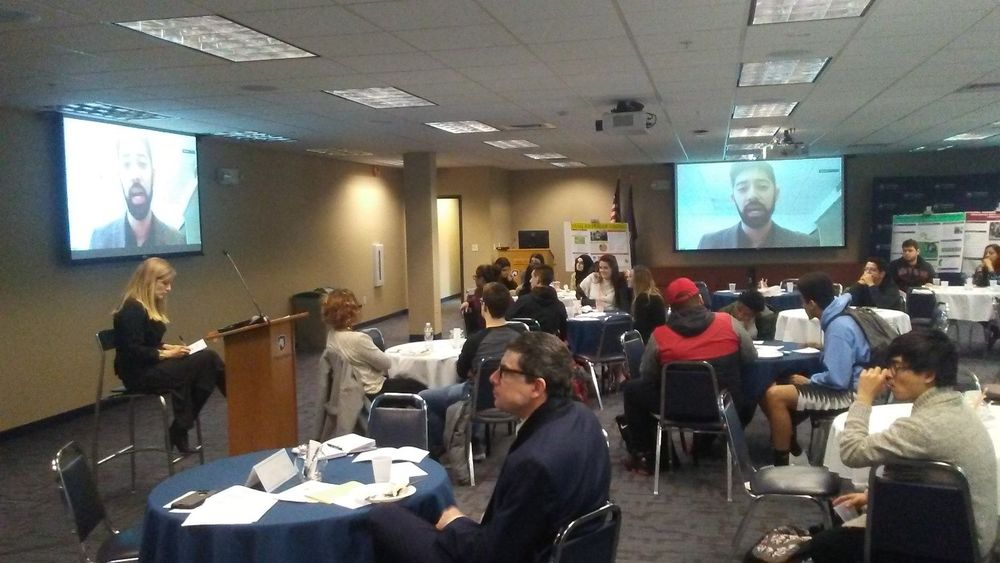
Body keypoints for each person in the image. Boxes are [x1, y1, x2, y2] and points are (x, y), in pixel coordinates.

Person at [369, 332, 611, 563]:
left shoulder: (534, 462)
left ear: (537, 387)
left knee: (382, 516)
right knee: (426, 512)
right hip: (555, 546)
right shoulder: (584, 418)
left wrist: (457, 524)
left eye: (504, 372)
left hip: (519, 554)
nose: (492, 378)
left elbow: (491, 556)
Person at [807, 331, 997, 562]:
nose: (888, 375)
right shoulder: (957, 407)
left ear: (928, 374)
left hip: (949, 544)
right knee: (837, 521)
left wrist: (863, 398)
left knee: (822, 546)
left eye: (897, 367)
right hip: (965, 531)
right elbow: (930, 479)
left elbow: (851, 452)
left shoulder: (924, 427)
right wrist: (872, 496)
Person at [621, 277, 756, 474]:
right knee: (751, 386)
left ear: (672, 308)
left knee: (633, 390)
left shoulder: (660, 336)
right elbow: (750, 358)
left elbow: (647, 374)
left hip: (676, 409)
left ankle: (648, 455)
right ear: (700, 299)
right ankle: (712, 442)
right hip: (725, 406)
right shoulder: (729, 323)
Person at [112, 257, 225, 454]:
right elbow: (133, 352)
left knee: (207, 365)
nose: (169, 288)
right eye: (164, 283)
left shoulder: (145, 307)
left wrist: (167, 347)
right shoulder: (132, 308)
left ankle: (181, 427)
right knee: (209, 360)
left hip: (151, 367)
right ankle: (184, 426)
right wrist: (168, 354)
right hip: (138, 375)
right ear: (149, 281)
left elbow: (149, 344)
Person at [760, 272, 870, 466]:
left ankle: (782, 464)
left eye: (803, 302)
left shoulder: (838, 328)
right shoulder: (842, 316)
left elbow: (838, 380)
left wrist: (811, 380)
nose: (803, 306)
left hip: (850, 393)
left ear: (811, 303)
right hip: (855, 385)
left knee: (774, 395)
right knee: (776, 388)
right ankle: (791, 444)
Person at [421, 282, 522, 455]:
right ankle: (474, 441)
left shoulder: (475, 340)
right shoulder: (519, 337)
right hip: (514, 397)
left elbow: (460, 371)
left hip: (476, 397)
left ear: (484, 307)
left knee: (424, 398)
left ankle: (442, 446)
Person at [322, 288, 425, 398]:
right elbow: (386, 363)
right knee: (418, 387)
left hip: (348, 391)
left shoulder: (331, 336)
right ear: (350, 313)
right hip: (372, 391)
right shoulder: (358, 339)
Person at [91, 136, 185, 250]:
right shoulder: (100, 239)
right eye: (126, 165)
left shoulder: (176, 240)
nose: (135, 175)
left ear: (153, 175)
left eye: (142, 164)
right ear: (119, 177)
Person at [698, 162, 819, 249]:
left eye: (762, 186)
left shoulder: (805, 243)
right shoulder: (709, 243)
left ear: (776, 194)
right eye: (743, 188)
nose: (752, 195)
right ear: (733, 198)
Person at [505, 264, 568, 339]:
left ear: (538, 279)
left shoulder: (524, 301)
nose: (530, 280)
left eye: (532, 277)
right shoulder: (559, 305)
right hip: (550, 346)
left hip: (527, 345)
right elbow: (564, 333)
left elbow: (507, 319)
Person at [460, 264, 499, 335]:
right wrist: (468, 302)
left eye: (476, 276)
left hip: (488, 330)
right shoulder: (479, 291)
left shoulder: (493, 293)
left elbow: (478, 303)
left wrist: (469, 302)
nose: (475, 279)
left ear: (482, 279)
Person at [630, 265, 666, 342]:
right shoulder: (655, 296)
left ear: (638, 280)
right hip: (659, 338)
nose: (628, 279)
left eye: (630, 276)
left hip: (649, 342)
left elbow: (640, 328)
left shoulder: (643, 299)